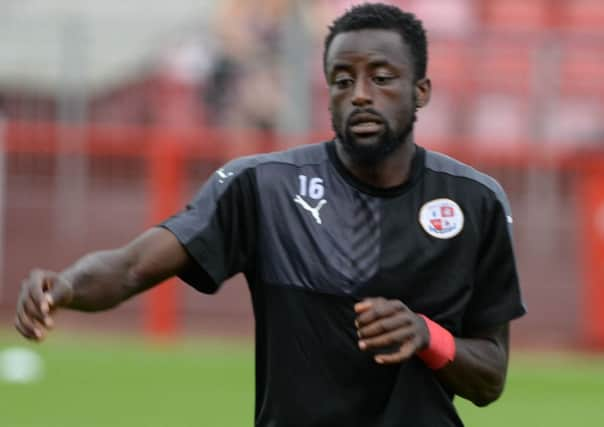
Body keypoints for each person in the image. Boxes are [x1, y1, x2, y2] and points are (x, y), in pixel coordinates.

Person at [15, 3, 526, 426]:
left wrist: (424, 335)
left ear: (421, 92)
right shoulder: (264, 187)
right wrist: (65, 287)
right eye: (342, 80)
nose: (361, 94)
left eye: (383, 77)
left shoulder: (474, 203)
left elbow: (490, 378)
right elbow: (131, 266)